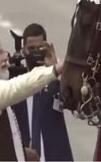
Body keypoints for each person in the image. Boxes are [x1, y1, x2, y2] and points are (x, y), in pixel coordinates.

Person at [0, 25, 62, 161]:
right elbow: (15, 88)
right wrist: (54, 70)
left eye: (3, 52)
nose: (5, 57)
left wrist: (20, 152)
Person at [23, 23, 73, 161]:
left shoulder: (55, 82)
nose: (36, 52)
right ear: (23, 51)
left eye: (40, 48)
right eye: (31, 48)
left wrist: (54, 69)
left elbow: (77, 104)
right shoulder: (16, 85)